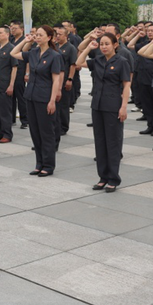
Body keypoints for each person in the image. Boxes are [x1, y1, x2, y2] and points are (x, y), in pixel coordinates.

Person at [78, 32, 131, 192]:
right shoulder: (98, 60)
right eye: (101, 44)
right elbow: (78, 62)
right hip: (98, 105)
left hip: (113, 105)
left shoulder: (122, 61)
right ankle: (103, 177)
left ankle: (113, 178)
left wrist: (123, 106)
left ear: (115, 45)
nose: (104, 47)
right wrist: (89, 47)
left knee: (113, 142)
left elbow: (127, 85)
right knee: (100, 142)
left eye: (107, 43)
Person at [12, 25, 62, 177]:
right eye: (36, 35)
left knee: (46, 133)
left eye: (40, 35)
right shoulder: (33, 52)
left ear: (49, 37)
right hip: (31, 96)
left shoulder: (54, 55)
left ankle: (48, 165)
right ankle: (39, 163)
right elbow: (13, 53)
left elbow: (56, 80)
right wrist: (26, 41)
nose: (37, 37)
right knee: (35, 132)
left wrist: (52, 100)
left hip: (45, 97)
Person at [0, 26, 17, 143]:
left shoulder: (11, 48)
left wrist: (11, 84)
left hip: (4, 84)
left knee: (4, 111)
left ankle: (7, 134)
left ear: (7, 35)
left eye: (0, 33)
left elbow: (14, 68)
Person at [53, 25, 77, 140]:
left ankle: (64, 126)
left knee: (63, 105)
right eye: (56, 34)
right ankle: (56, 125)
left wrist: (70, 79)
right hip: (55, 80)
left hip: (65, 78)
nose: (58, 36)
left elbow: (73, 64)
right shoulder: (55, 46)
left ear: (66, 36)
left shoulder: (70, 48)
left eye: (60, 34)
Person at [9, 20, 28, 130]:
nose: (12, 30)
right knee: (10, 97)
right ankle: (11, 119)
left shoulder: (24, 41)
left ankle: (24, 120)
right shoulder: (10, 39)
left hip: (20, 70)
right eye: (11, 28)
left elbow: (27, 57)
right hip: (10, 70)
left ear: (22, 29)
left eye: (15, 28)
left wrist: (27, 73)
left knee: (20, 96)